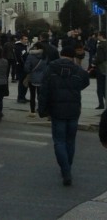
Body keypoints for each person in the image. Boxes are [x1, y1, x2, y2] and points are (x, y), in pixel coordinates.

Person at [38, 46, 90, 186]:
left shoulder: (51, 68)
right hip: (73, 109)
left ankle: (65, 170)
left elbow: (44, 90)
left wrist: (42, 110)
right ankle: (68, 167)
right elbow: (86, 80)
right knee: (70, 141)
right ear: (73, 56)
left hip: (57, 110)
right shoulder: (77, 70)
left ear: (61, 54)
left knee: (59, 141)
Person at [24, 42, 48, 118]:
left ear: (36, 47)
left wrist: (29, 72)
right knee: (40, 95)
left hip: (32, 78)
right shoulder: (45, 56)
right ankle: (41, 110)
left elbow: (27, 68)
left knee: (32, 95)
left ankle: (32, 111)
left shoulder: (31, 56)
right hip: (42, 78)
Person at [94, 31, 107, 110]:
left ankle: (101, 104)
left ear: (101, 36)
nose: (97, 36)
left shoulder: (101, 45)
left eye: (98, 35)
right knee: (105, 86)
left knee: (100, 87)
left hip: (101, 68)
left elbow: (100, 59)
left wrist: (93, 62)